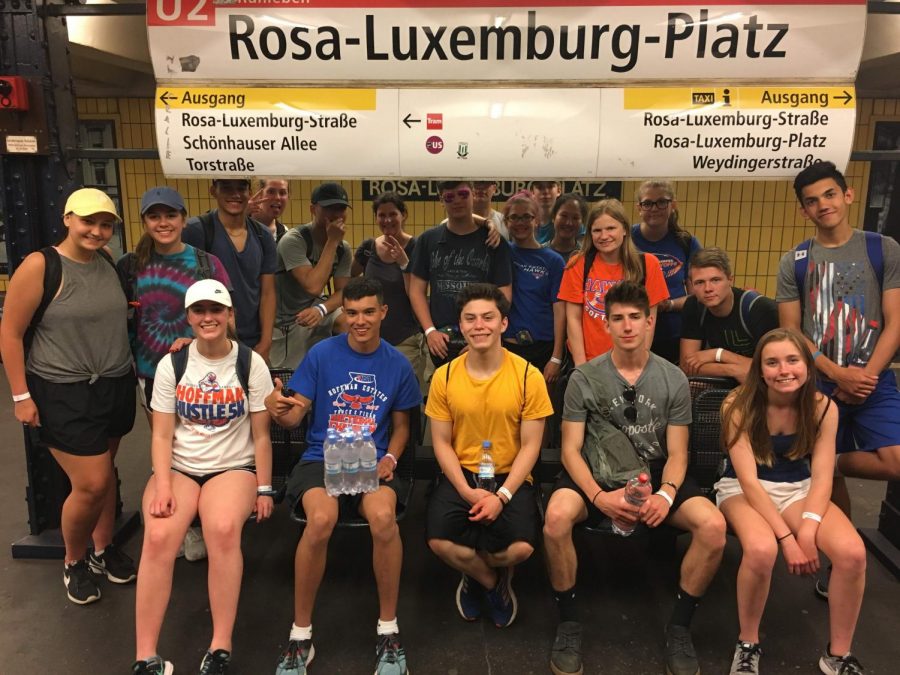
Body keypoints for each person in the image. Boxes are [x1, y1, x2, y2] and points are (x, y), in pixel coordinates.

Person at [542, 281, 726, 675]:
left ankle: (679, 627)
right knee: (556, 519)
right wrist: (597, 497)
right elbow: (570, 450)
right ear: (606, 325)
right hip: (596, 471)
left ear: (649, 322)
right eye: (618, 318)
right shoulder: (584, 377)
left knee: (712, 527)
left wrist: (665, 493)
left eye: (634, 318)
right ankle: (569, 622)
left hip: (657, 473)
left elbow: (678, 453)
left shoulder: (673, 378)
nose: (627, 326)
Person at [266, 276, 421, 675]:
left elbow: (402, 427)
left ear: (383, 313)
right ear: (343, 314)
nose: (359, 320)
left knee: (384, 519)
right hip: (321, 457)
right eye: (351, 312)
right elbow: (295, 413)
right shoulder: (321, 355)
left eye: (369, 311)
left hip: (371, 459)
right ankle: (301, 634)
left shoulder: (398, 364)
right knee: (321, 519)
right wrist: (280, 409)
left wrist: (391, 456)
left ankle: (389, 630)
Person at [0, 188, 137, 604]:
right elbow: (10, 332)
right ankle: (73, 561)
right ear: (67, 219)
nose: (97, 231)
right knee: (92, 483)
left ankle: (102, 549)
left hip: (113, 384)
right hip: (63, 389)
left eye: (105, 224)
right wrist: (21, 395)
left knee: (106, 471)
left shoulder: (107, 264)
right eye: (88, 222)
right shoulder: (40, 265)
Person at [132, 279, 275, 675]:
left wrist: (264, 488)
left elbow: (261, 435)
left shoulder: (251, 363)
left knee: (224, 528)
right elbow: (161, 433)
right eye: (199, 311)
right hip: (180, 466)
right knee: (159, 535)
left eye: (216, 310)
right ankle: (145, 656)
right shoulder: (173, 363)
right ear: (189, 317)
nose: (208, 317)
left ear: (230, 315)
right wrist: (162, 486)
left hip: (232, 466)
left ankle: (220, 645)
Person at [715, 328, 867, 675]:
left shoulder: (823, 407)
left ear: (807, 365)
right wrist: (787, 538)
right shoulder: (736, 405)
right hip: (743, 489)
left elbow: (824, 475)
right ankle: (748, 643)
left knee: (853, 552)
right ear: (760, 369)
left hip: (799, 488)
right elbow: (749, 482)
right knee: (761, 548)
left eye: (792, 360)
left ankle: (838, 655)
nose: (784, 370)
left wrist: (809, 531)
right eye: (772, 362)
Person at [776, 161, 900, 520]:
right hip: (819, 384)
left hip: (873, 380)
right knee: (827, 488)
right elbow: (792, 330)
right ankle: (840, 558)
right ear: (804, 210)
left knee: (892, 461)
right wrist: (836, 374)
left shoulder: (882, 249)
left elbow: (895, 323)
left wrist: (863, 378)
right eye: (812, 200)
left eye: (830, 194)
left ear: (848, 195)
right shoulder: (794, 262)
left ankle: (835, 463)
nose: (823, 205)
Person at [425, 283, 553, 629]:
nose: (479, 325)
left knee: (521, 549)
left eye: (487, 317)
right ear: (461, 326)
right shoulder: (444, 376)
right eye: (470, 319)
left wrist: (503, 496)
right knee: (438, 541)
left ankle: (477, 569)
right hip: (462, 473)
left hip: (511, 476)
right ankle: (490, 581)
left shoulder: (529, 376)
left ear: (503, 324)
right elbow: (441, 443)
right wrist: (466, 492)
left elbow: (531, 446)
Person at [121, 186, 232, 423]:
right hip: (151, 372)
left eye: (171, 215)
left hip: (202, 371)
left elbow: (230, 321)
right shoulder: (130, 267)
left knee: (203, 440)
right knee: (164, 442)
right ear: (144, 222)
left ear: (184, 220)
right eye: (154, 216)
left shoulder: (207, 264)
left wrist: (198, 341)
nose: (163, 223)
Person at [409, 180, 513, 367]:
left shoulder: (494, 242)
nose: (456, 201)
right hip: (439, 342)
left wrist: (484, 336)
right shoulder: (427, 241)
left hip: (482, 338)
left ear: (473, 193)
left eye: (463, 194)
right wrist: (430, 331)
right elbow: (416, 290)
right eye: (449, 197)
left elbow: (504, 294)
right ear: (441, 200)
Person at [557, 199, 669, 366]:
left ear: (624, 229)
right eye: (597, 230)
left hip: (629, 362)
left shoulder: (647, 264)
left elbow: (649, 321)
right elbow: (572, 318)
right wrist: (581, 367)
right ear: (590, 234)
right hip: (590, 362)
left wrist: (638, 364)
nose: (604, 236)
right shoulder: (578, 263)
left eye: (610, 228)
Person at [182, 178, 276, 363]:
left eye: (241, 187)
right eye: (226, 187)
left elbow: (268, 292)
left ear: (249, 192)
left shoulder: (263, 235)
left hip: (252, 342)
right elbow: (184, 288)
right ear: (213, 191)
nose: (235, 194)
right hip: (209, 341)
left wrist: (265, 342)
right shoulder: (197, 230)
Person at [272, 181, 353, 369]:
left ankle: (345, 371)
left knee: (347, 321)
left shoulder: (343, 248)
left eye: (341, 208)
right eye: (328, 208)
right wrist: (332, 241)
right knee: (290, 381)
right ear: (312, 209)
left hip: (317, 311)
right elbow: (312, 285)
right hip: (287, 321)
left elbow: (343, 292)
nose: (336, 214)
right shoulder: (294, 240)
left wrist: (322, 309)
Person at [351, 192, 425, 386]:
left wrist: (404, 263)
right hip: (370, 338)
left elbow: (416, 294)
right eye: (381, 215)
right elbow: (348, 278)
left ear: (404, 215)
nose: (387, 220)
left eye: (393, 214)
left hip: (405, 339)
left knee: (402, 392)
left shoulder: (417, 247)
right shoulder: (368, 248)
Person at [680, 247, 778, 383]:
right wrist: (731, 370)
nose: (708, 289)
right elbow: (688, 366)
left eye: (715, 280)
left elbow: (773, 367)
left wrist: (718, 354)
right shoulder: (693, 306)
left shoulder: (761, 309)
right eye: (700, 282)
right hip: (721, 385)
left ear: (730, 279)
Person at [631, 180, 703, 364]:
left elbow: (698, 297)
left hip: (673, 335)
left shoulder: (686, 243)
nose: (654, 208)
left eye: (662, 202)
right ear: (639, 207)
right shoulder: (626, 239)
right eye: (647, 203)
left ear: (673, 205)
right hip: (632, 331)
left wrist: (668, 304)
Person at [502, 190, 566, 382]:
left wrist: (556, 356)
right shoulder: (501, 252)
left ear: (536, 220)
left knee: (540, 409)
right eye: (514, 217)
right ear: (506, 222)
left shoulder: (553, 261)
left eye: (526, 217)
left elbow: (560, 310)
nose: (520, 222)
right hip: (508, 347)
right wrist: (487, 222)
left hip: (544, 347)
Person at [546, 193, 588, 263]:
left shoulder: (586, 257)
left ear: (582, 222)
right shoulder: (539, 253)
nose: (569, 223)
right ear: (553, 217)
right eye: (564, 216)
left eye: (575, 218)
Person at [250, 177, 290, 242]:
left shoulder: (284, 233)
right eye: (271, 192)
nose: (277, 197)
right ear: (260, 194)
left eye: (282, 193)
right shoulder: (241, 225)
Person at [532, 180, 562, 245]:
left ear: (558, 191)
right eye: (540, 187)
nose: (545, 191)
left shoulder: (568, 223)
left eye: (550, 187)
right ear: (533, 193)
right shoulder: (527, 224)